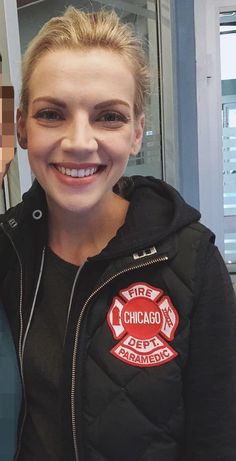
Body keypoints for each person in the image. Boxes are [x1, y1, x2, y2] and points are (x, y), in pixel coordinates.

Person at [0, 6, 235, 461]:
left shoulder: (190, 261)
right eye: (52, 114)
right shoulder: (8, 251)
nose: (79, 142)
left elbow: (218, 438)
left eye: (109, 117)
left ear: (137, 132)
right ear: (23, 126)